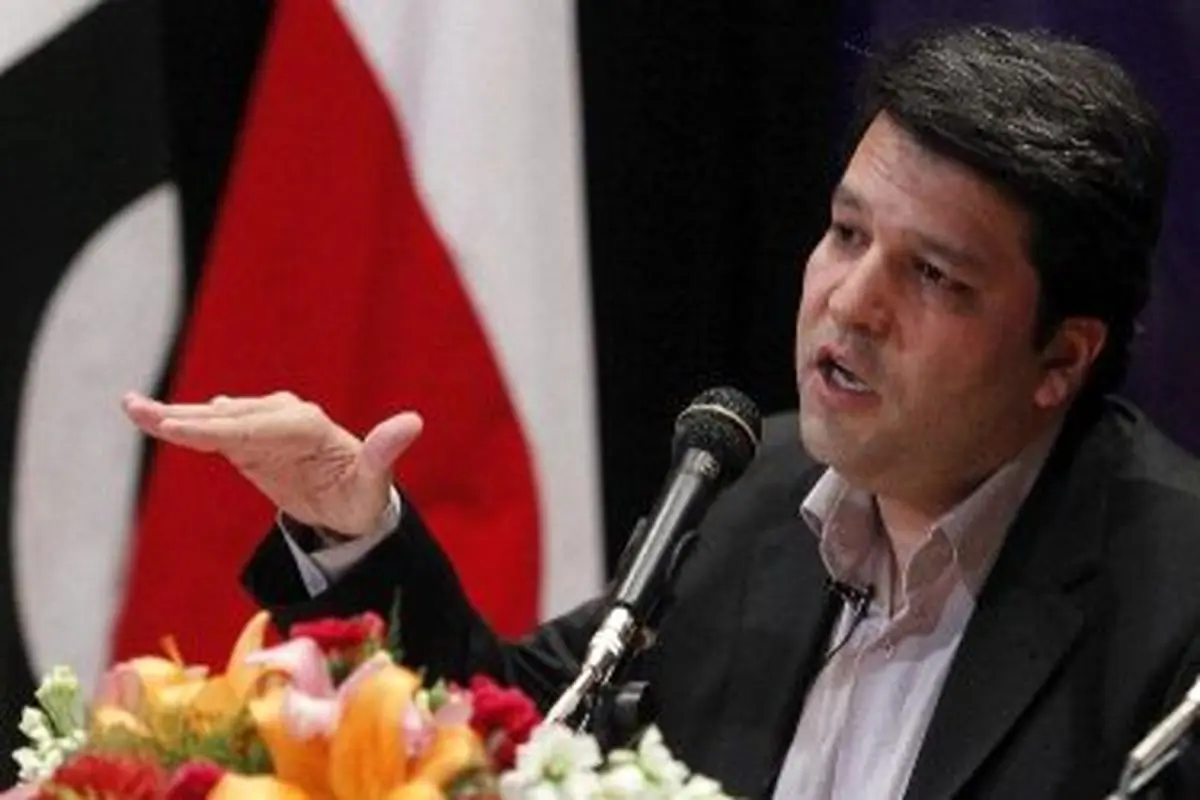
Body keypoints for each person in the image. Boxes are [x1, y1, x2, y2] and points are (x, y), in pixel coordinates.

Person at [123, 23, 1200, 799]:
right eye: (846, 234)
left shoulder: (1174, 605)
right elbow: (526, 726)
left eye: (933, 277)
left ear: (1061, 356)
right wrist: (353, 530)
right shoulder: (754, 492)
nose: (851, 302)